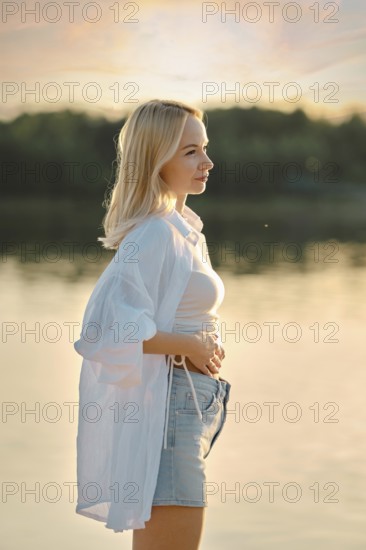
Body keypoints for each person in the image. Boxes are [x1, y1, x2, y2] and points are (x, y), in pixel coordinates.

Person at [73, 99, 232, 550]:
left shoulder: (182, 230)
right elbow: (105, 329)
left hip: (189, 408)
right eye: (190, 152)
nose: (207, 161)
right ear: (155, 159)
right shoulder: (153, 234)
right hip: (172, 411)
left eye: (204, 148)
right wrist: (191, 346)